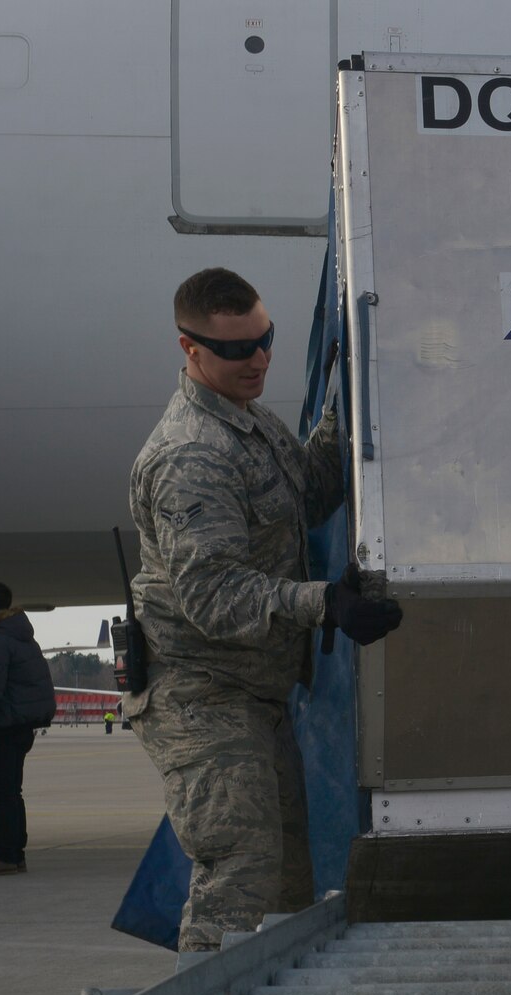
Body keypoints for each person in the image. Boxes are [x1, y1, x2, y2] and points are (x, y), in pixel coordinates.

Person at [126, 267, 403, 952]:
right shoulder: (192, 453)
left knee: (285, 885)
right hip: (202, 693)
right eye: (235, 349)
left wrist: (359, 395)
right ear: (190, 350)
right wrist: (325, 605)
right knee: (239, 877)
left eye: (265, 340)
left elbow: (305, 492)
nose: (257, 360)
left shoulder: (249, 424)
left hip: (255, 691)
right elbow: (213, 597)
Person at [0, 581, 57, 876]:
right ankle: (14, 854)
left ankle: (5, 855)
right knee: (12, 793)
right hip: (19, 727)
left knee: (2, 795)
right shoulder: (22, 637)